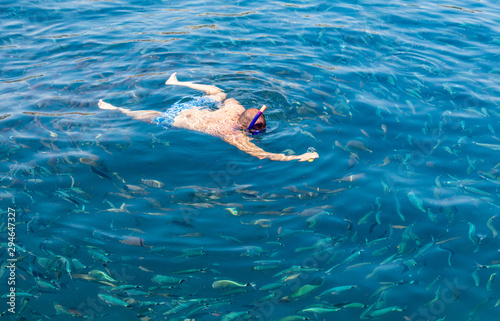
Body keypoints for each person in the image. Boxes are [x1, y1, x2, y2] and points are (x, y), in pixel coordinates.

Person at [98, 73, 319, 162]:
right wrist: (297, 157)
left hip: (196, 108)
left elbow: (227, 100)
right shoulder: (231, 134)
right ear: (246, 128)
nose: (262, 130)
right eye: (259, 128)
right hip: (181, 119)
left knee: (218, 93)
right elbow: (263, 155)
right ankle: (115, 109)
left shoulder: (235, 108)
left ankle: (175, 82)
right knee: (153, 117)